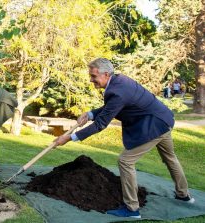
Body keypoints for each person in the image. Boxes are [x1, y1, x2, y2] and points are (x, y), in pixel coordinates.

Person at [54, 58, 195, 218]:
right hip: (164, 120)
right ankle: (184, 195)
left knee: (125, 161)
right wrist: (90, 114)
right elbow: (112, 107)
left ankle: (131, 209)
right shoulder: (119, 81)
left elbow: (100, 124)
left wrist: (69, 138)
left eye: (93, 76)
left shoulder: (117, 92)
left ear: (106, 74)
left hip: (153, 126)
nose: (91, 80)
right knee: (170, 158)